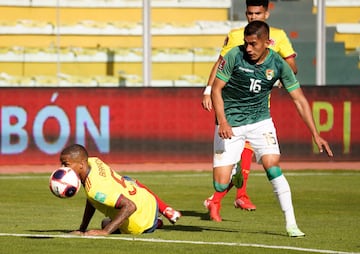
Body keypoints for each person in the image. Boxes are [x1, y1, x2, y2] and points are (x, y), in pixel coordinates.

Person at [210, 20, 333, 237]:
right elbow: (217, 90)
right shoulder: (233, 56)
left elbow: (300, 100)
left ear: (267, 43)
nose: (248, 49)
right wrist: (223, 121)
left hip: (260, 122)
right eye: (246, 44)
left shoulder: (278, 64)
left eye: (253, 44)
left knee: (272, 165)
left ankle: (291, 223)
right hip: (231, 123)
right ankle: (235, 172)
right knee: (220, 185)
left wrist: (316, 134)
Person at [202, 0, 298, 219]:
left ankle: (238, 194)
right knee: (227, 171)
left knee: (258, 154)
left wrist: (281, 76)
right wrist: (208, 90)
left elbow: (291, 66)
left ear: (266, 13)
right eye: (249, 13)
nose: (253, 17)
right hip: (234, 108)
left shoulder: (279, 36)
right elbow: (220, 64)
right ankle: (236, 192)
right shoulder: (236, 36)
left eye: (257, 13)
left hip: (260, 108)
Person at [59, 144, 181, 235]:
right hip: (147, 200)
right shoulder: (94, 161)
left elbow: (130, 206)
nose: (62, 168)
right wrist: (82, 228)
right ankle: (162, 209)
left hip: (141, 222)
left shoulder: (95, 189)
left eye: (66, 164)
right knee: (126, 179)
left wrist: (105, 232)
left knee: (106, 224)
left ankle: (156, 223)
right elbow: (92, 200)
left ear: (81, 164)